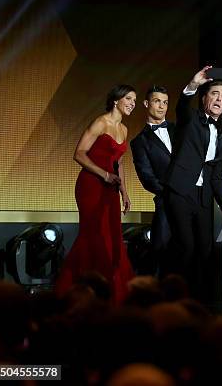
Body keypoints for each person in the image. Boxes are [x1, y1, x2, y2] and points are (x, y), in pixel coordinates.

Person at [56, 85, 136, 303]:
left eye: (134, 100)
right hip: (91, 185)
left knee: (112, 236)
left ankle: (108, 289)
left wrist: (124, 192)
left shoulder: (124, 129)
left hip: (110, 189)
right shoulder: (101, 123)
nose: (132, 103)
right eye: (128, 99)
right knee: (92, 236)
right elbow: (79, 153)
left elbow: (118, 163)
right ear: (115, 101)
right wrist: (104, 175)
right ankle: (76, 288)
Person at [164, 66, 222, 301]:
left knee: (205, 249)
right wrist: (193, 84)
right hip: (180, 191)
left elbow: (216, 175)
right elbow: (182, 106)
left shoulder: (220, 137)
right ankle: (175, 299)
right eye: (215, 94)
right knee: (186, 246)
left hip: (203, 197)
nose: (219, 99)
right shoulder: (191, 119)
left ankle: (197, 301)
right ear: (204, 98)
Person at [130, 85, 174, 276]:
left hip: (191, 201)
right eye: (157, 101)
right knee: (162, 251)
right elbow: (147, 177)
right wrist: (170, 192)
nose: (162, 106)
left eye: (165, 102)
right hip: (166, 201)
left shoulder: (179, 130)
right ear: (146, 104)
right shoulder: (139, 141)